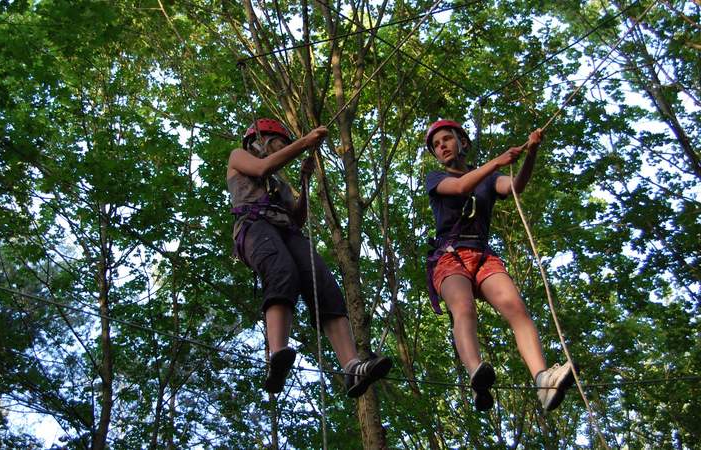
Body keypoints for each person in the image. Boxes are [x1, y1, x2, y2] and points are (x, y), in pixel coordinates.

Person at [227, 118, 392, 396]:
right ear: (261, 139)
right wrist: (305, 142)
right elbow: (263, 167)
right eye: (281, 143)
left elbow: (298, 218)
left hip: (286, 230)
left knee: (322, 283)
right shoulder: (239, 156)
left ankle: (351, 366)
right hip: (254, 226)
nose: (284, 148)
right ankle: (277, 354)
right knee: (282, 271)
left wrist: (303, 181)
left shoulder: (279, 182)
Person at [423, 119, 577, 412]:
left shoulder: (488, 180)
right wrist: (496, 161)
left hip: (482, 255)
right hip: (449, 255)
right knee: (463, 307)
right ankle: (475, 371)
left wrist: (531, 152)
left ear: (462, 143)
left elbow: (516, 186)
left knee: (516, 307)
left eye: (446, 139)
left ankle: (542, 379)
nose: (441, 146)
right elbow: (458, 187)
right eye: (436, 144)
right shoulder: (435, 178)